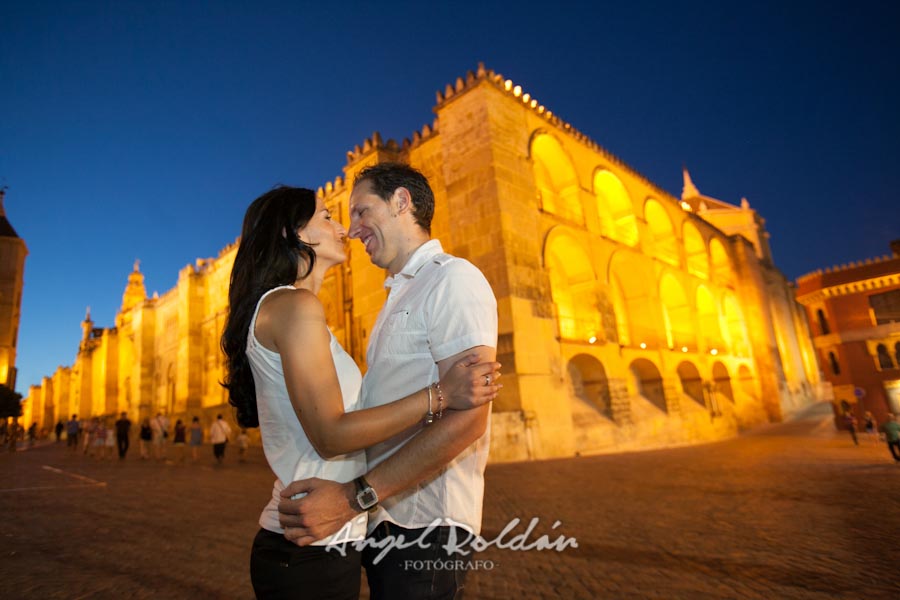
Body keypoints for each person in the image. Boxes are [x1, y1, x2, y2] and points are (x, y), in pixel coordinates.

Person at [220, 184, 499, 599]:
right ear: (293, 235)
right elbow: (331, 434)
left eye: (355, 213)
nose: (346, 229)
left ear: (402, 203)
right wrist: (439, 394)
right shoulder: (295, 307)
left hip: (329, 537)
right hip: (312, 543)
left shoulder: (295, 309)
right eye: (328, 216)